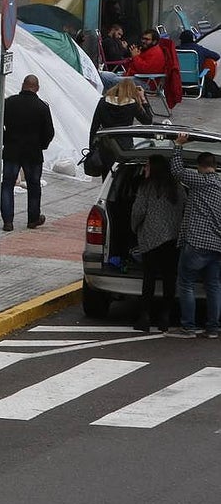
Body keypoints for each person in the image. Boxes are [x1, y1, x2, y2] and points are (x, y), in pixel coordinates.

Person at [166, 134, 221, 338]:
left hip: (197, 242)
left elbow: (177, 171)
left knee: (186, 283)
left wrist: (178, 146)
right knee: (214, 285)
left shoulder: (200, 181)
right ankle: (213, 328)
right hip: (217, 246)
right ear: (214, 166)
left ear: (200, 166)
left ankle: (188, 327)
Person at [0, 74, 54, 232]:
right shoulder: (42, 107)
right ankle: (33, 219)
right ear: (37, 88)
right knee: (34, 186)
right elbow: (49, 132)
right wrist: (42, 145)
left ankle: (8, 221)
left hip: (12, 151)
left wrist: (5, 140)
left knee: (7, 185)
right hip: (33, 153)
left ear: (22, 85)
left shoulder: (9, 102)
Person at [130, 156, 184, 333]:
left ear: (154, 168)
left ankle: (145, 316)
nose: (145, 169)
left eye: (146, 166)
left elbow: (138, 211)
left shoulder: (147, 187)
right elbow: (184, 207)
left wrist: (134, 227)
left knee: (149, 278)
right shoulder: (177, 187)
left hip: (151, 239)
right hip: (172, 239)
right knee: (169, 278)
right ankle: (165, 317)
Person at [88, 80, 153, 178]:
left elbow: (94, 126)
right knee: (124, 174)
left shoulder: (103, 101)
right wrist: (143, 99)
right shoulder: (132, 104)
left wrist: (91, 148)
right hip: (124, 145)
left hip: (106, 144)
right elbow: (148, 121)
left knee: (106, 176)